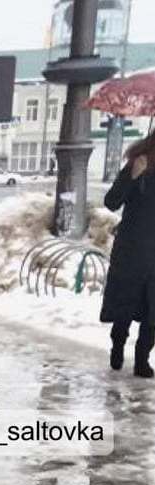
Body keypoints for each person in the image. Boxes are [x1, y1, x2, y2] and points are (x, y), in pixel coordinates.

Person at [101, 132, 155, 378]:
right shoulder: (139, 163)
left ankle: (142, 358)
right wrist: (133, 176)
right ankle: (118, 346)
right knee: (126, 304)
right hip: (133, 250)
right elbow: (112, 201)